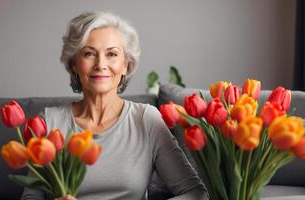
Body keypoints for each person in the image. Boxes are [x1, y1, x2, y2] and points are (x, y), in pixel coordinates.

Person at [21, 11, 207, 200]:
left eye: (112, 54)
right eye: (89, 53)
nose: (100, 64)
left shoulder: (147, 120)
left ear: (126, 65)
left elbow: (196, 193)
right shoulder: (50, 122)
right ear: (75, 64)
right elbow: (30, 196)